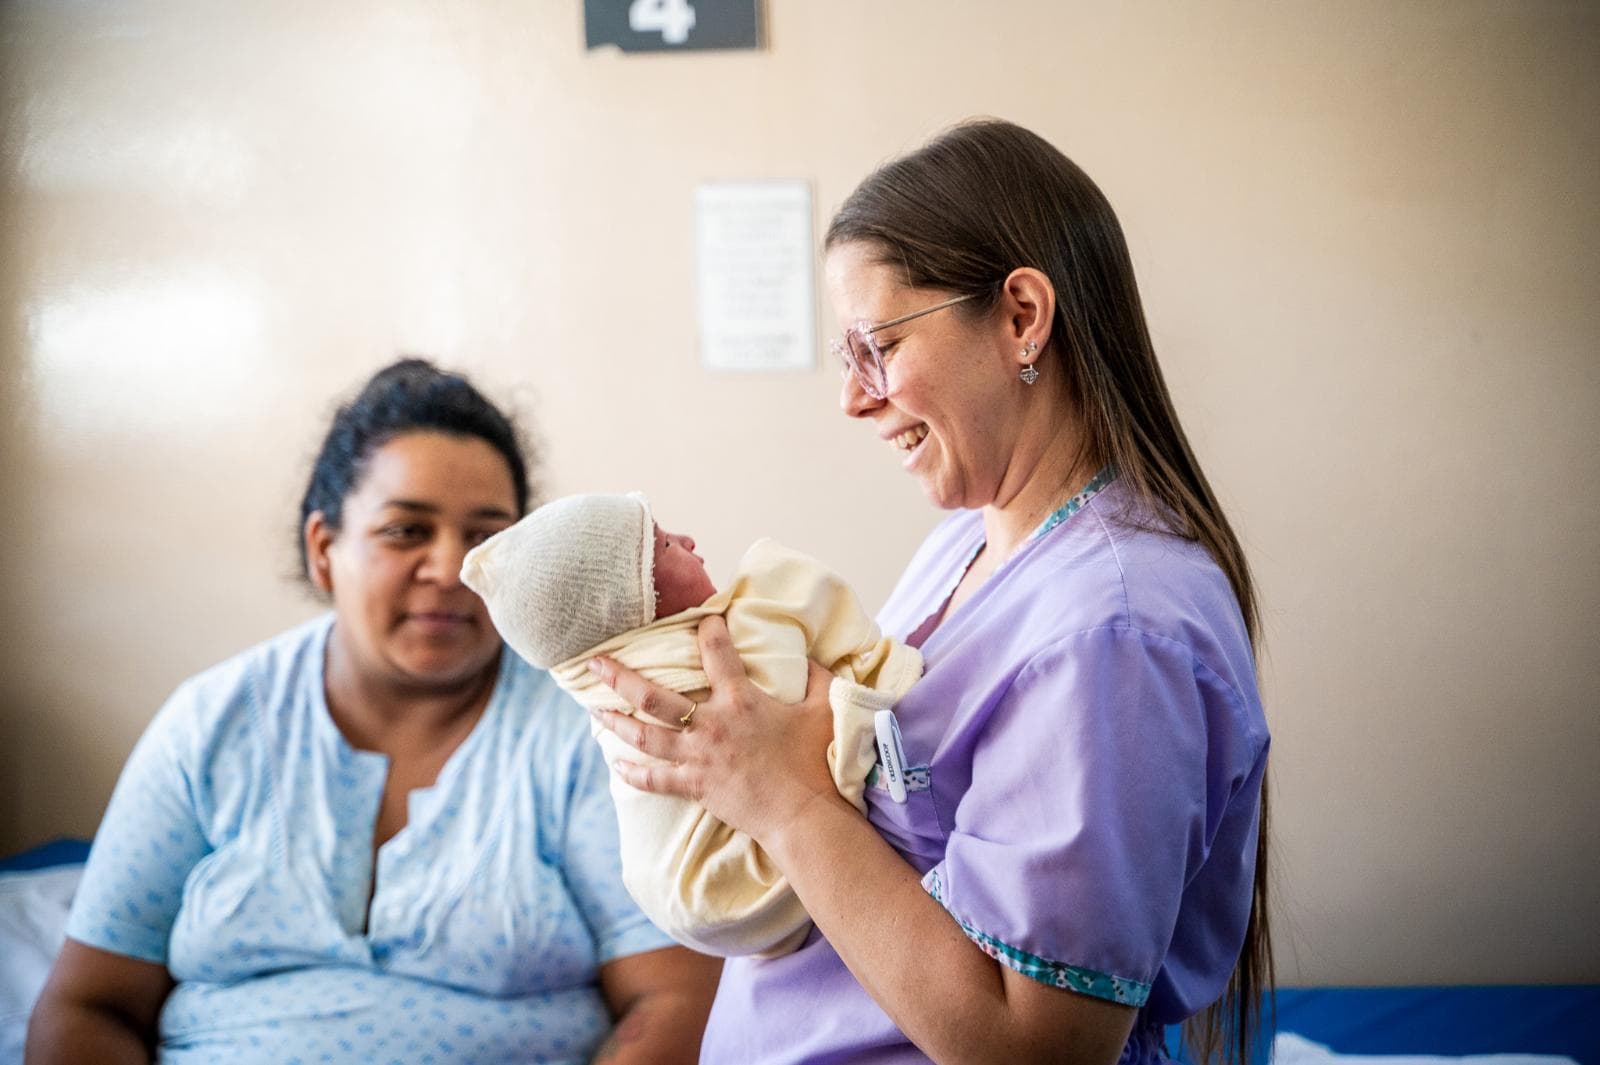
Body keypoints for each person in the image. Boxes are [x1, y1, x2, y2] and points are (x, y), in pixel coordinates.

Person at [586, 119, 1274, 1065]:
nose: (854, 399)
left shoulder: (1115, 631)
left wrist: (782, 803)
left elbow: (1032, 1048)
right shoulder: (972, 539)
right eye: (846, 359)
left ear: (1023, 316)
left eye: (877, 347)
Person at [26, 360, 721, 1065]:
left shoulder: (588, 731)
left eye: (485, 536)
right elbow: (89, 1004)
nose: (450, 568)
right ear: (324, 550)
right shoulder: (212, 723)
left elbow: (670, 998)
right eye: (405, 531)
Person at [460, 491, 922, 958]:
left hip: (678, 899)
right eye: (663, 545)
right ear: (638, 604)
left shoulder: (604, 688)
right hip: (729, 877)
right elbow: (836, 641)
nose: (687, 540)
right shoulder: (741, 632)